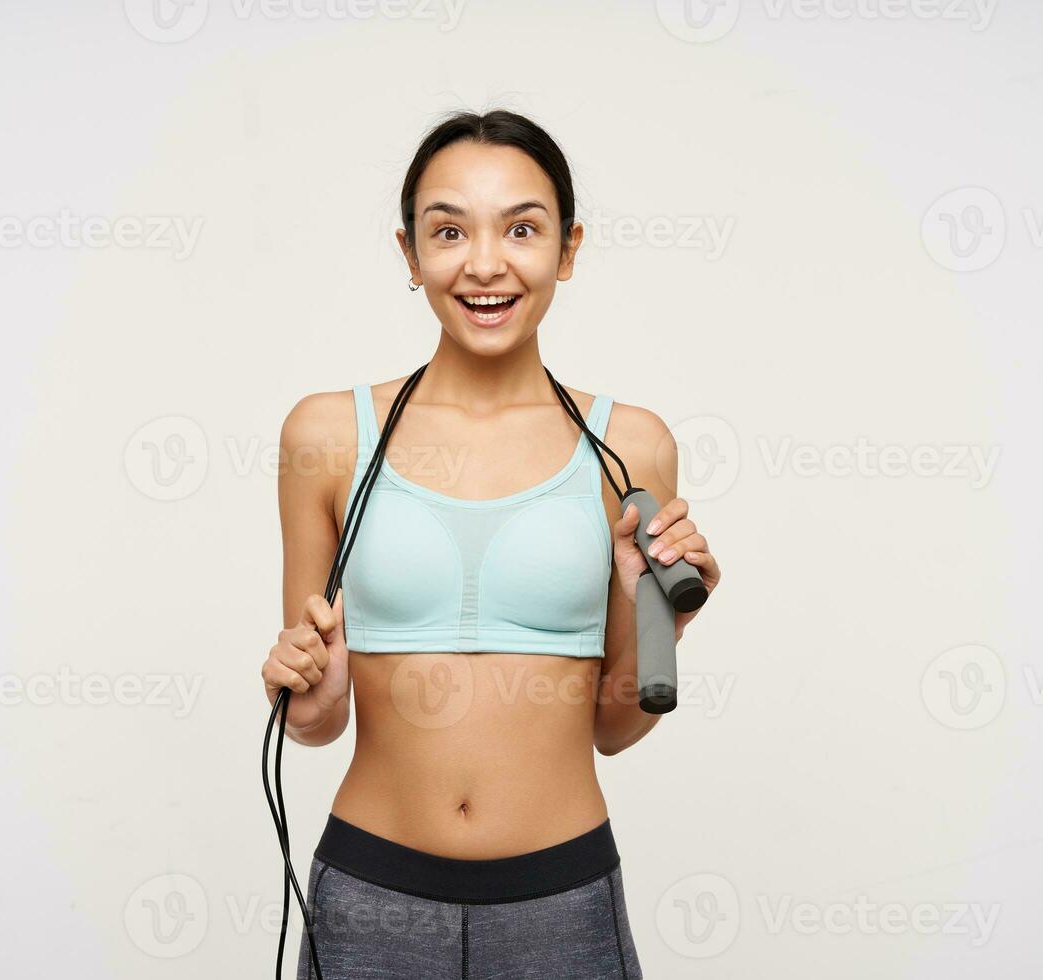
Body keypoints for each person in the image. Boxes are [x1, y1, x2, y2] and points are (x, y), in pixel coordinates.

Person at [267, 108, 722, 979]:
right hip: (371, 896)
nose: (485, 263)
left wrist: (667, 616)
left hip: (563, 904)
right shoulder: (326, 436)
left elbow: (616, 727)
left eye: (522, 227)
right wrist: (303, 688)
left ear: (569, 248)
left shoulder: (632, 445)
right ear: (409, 254)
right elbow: (317, 723)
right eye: (448, 230)